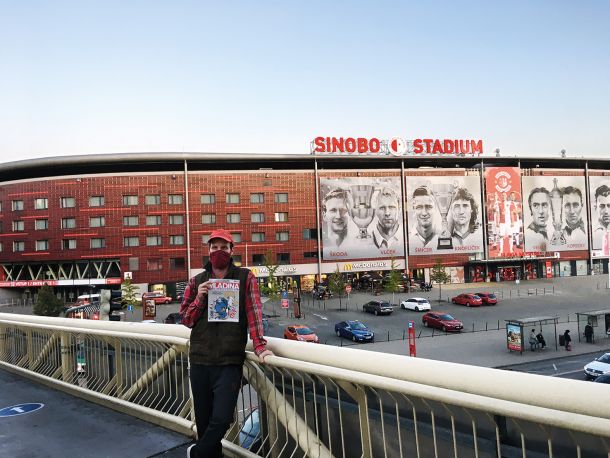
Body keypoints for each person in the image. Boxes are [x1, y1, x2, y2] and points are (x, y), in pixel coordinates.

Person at [180, 229, 273, 458]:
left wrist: (259, 346)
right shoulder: (196, 281)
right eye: (214, 247)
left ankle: (197, 454)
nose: (219, 252)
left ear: (232, 250)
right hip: (200, 359)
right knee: (204, 423)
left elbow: (254, 312)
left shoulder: (245, 277)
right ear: (209, 251)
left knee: (221, 419)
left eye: (224, 247)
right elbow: (186, 319)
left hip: (229, 361)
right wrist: (200, 299)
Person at [592, 185, 610, 253]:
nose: (606, 211)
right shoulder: (592, 232)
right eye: (602, 206)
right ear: (596, 207)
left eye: (609, 206)